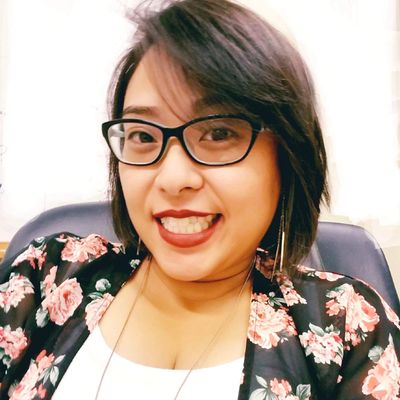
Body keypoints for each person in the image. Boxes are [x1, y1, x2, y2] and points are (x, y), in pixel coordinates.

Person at [0, 0, 399, 399]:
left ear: (288, 155)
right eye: (143, 135)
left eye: (219, 133)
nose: (173, 179)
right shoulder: (46, 275)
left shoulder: (349, 327)